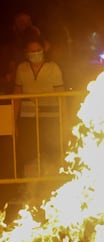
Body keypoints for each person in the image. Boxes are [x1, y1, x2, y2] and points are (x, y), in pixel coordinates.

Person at [14, 36, 65, 176]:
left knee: (50, 151)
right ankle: (29, 187)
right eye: (32, 51)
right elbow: (16, 97)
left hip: (50, 117)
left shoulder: (53, 68)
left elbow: (61, 97)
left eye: (38, 50)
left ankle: (51, 185)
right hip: (27, 118)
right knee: (28, 152)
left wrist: (64, 120)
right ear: (26, 53)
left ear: (43, 50)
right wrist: (13, 122)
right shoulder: (22, 69)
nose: (35, 53)